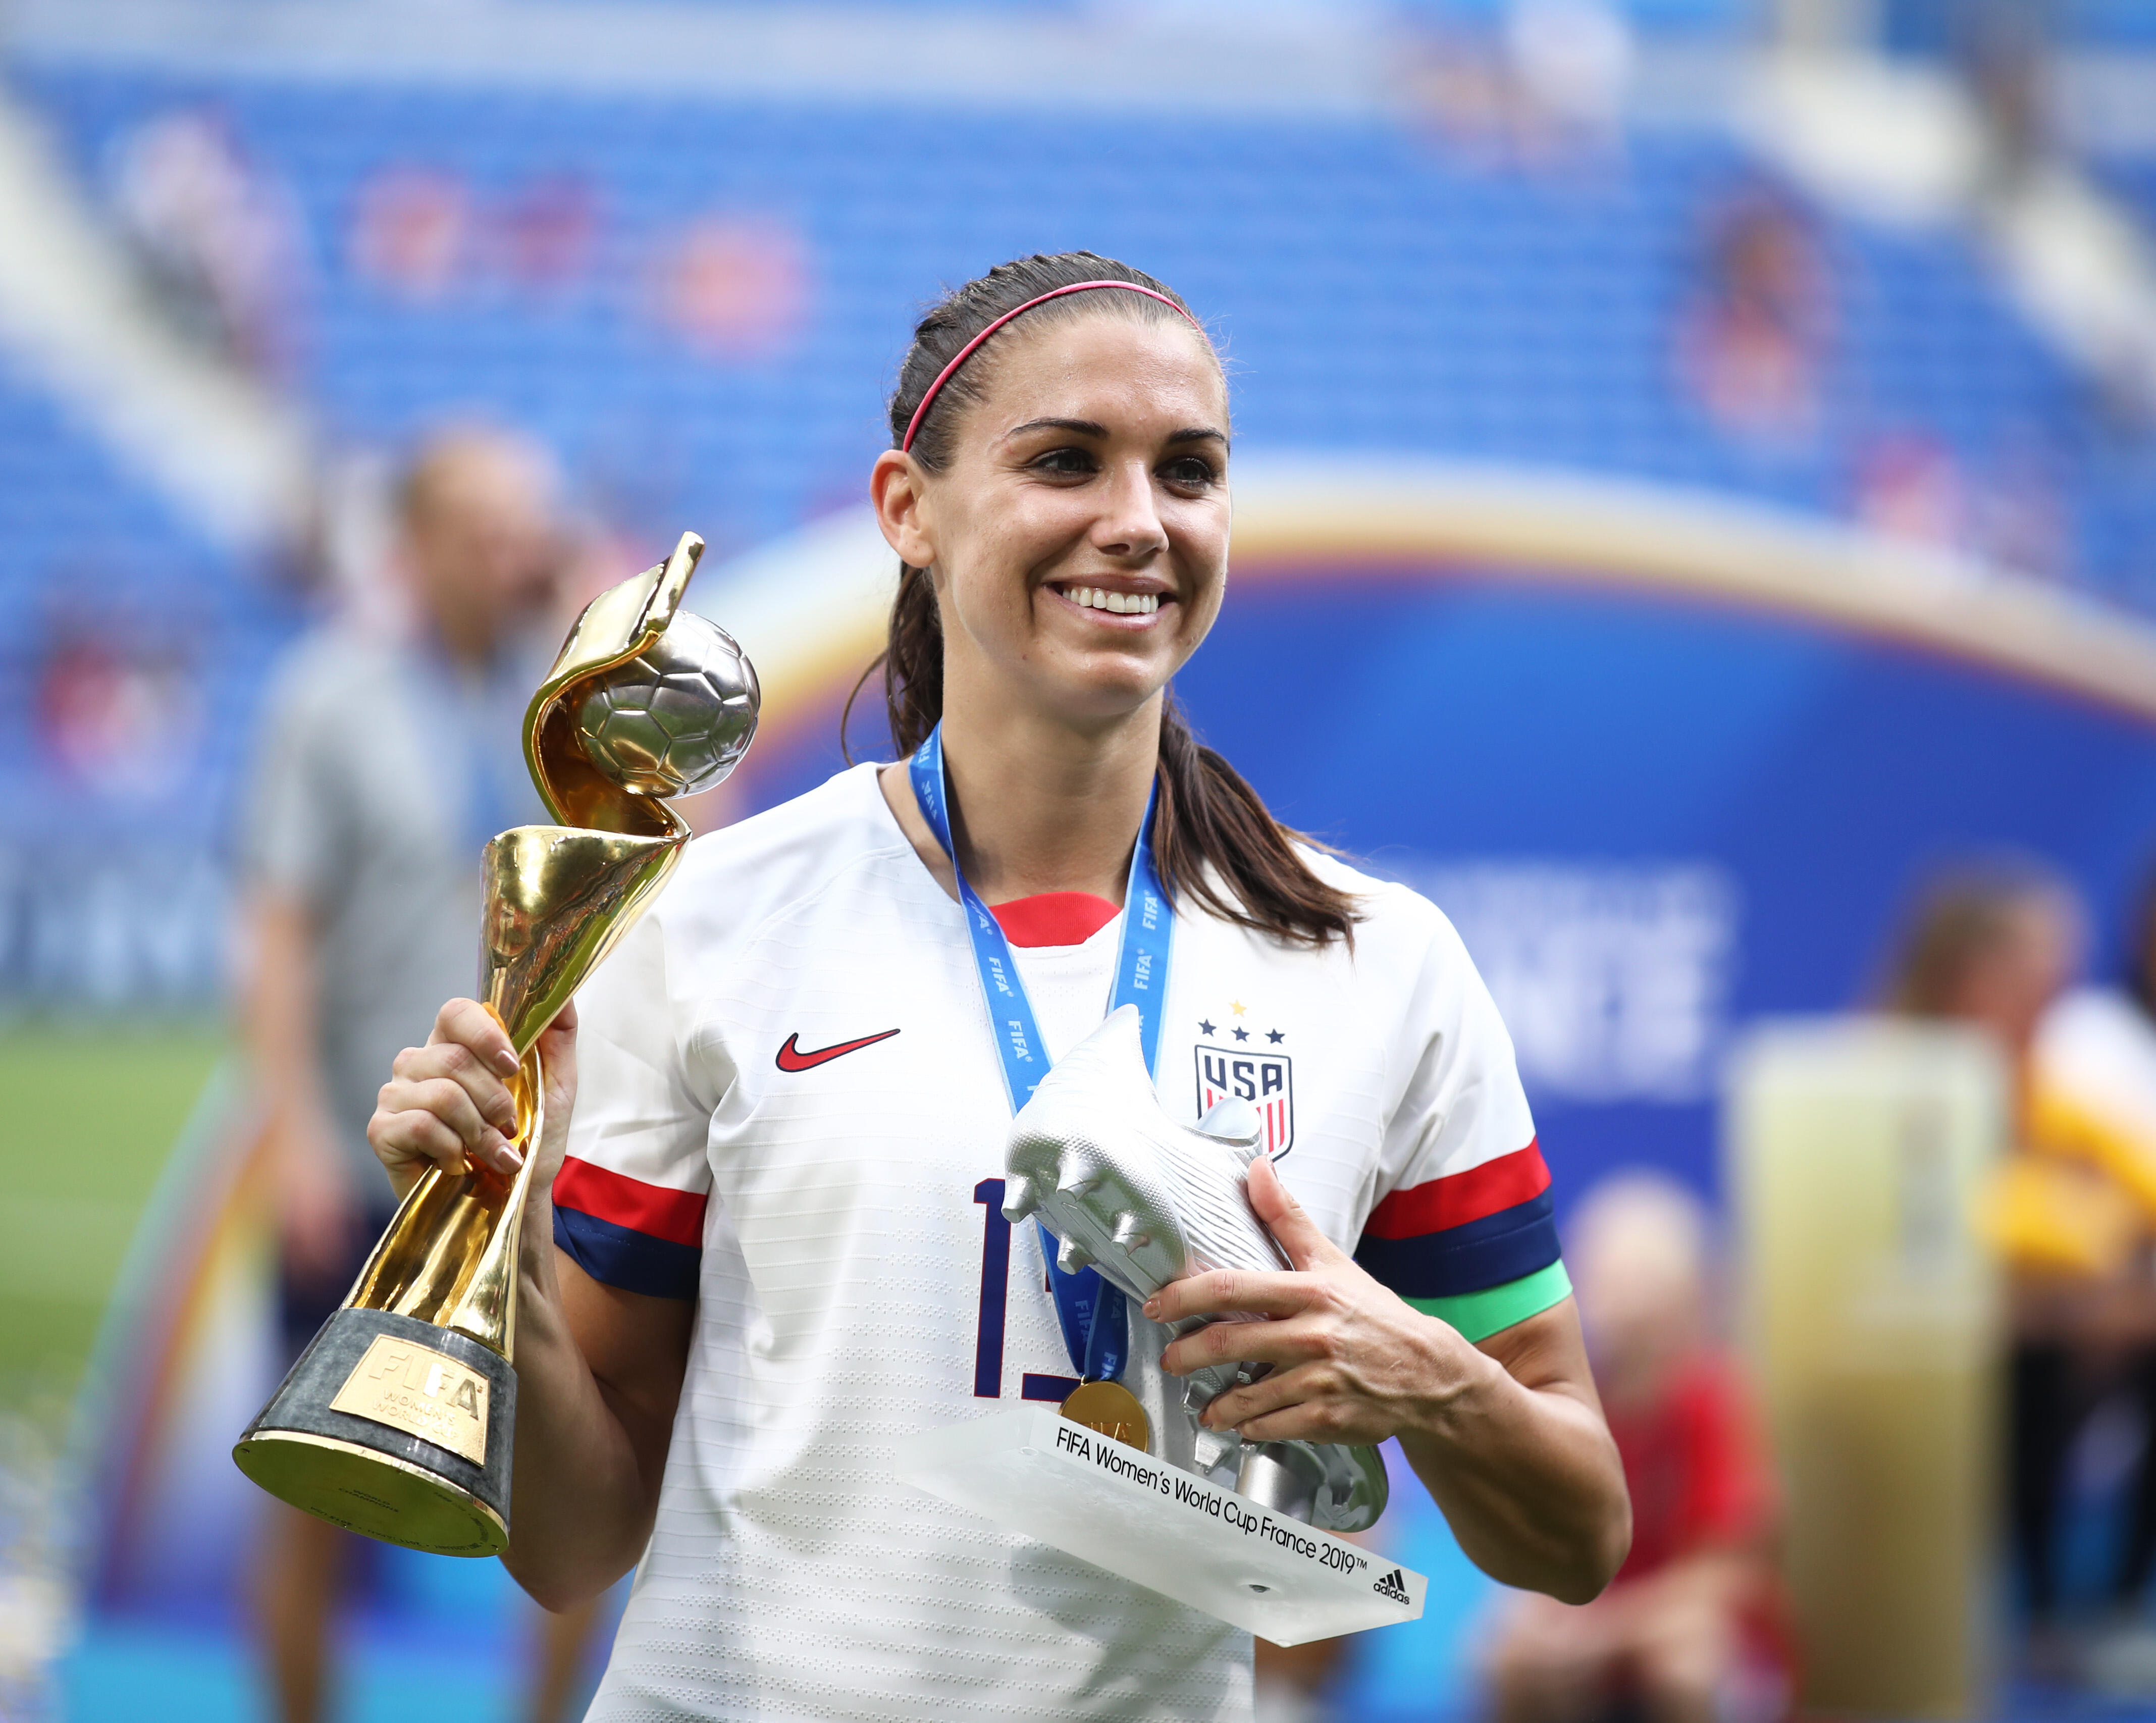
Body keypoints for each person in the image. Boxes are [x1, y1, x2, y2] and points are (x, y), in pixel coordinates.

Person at [367, 252, 1632, 1720]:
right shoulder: (707, 920)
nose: (1137, 521)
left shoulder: (1375, 959)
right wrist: (500, 1266)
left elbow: (1576, 1531)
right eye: (1064, 462)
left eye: (1188, 470)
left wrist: (1429, 1382)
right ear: (906, 506)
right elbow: (576, 1545)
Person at [239, 424, 612, 1723]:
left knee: (576, 1483)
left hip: (536, 1165)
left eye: (530, 525)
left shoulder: (565, 699)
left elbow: (679, 860)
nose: (511, 550)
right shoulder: (328, 695)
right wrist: (287, 1136)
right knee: (313, 1493)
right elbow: (278, 932)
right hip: (364, 1156)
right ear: (410, 543)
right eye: (483, 528)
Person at [1879, 862, 2156, 1646]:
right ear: (1974, 977)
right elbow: (1967, 1218)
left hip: (2029, 1323)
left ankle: (2112, 1609)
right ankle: (2025, 1611)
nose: (2057, 996)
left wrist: (2097, 1272)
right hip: (1911, 1342)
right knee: (2043, 1346)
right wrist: (2086, 1250)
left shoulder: (2030, 1076)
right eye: (2041, 976)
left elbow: (2131, 1168)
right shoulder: (1899, 1069)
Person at [1483, 1171, 1789, 1723]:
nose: (1614, 1305)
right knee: (1510, 1652)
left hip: (1686, 1625)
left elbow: (1725, 1576)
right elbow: (1540, 1541)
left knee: (1685, 1662)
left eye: (1636, 1282)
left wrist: (1604, 1632)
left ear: (1685, 1296)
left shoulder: (1711, 1396)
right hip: (1595, 1610)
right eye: (1603, 1280)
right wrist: (1543, 1615)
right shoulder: (1573, 1396)